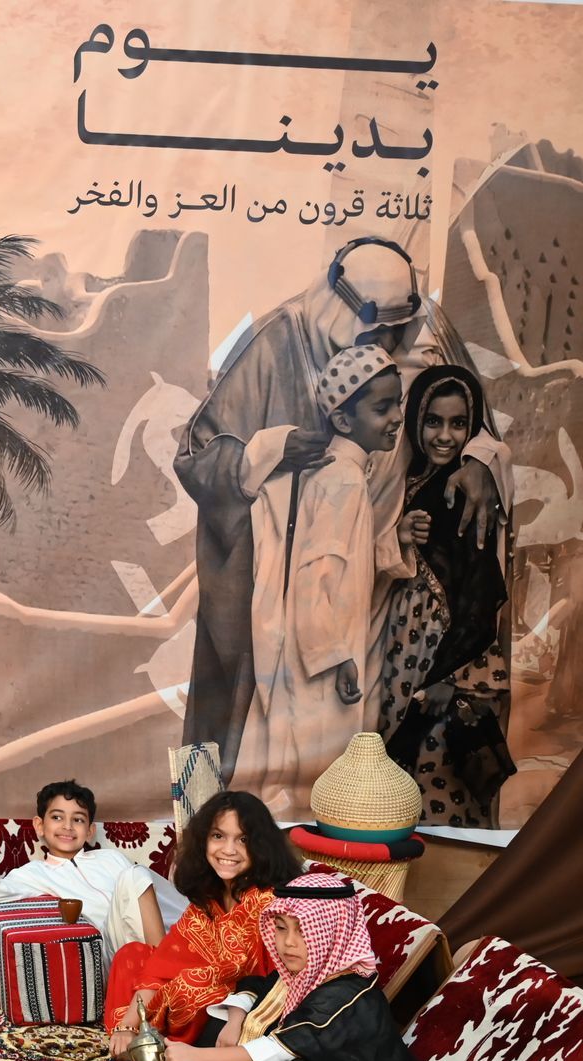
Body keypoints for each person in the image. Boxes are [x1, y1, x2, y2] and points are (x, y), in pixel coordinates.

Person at [174, 238, 511, 777]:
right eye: (376, 329)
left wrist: (479, 460)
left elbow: (468, 414)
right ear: (341, 304)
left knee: (354, 756)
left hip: (378, 588)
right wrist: (266, 451)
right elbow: (196, 458)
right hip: (279, 599)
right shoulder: (275, 341)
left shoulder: (424, 332)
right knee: (254, 757)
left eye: (396, 330)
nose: (388, 341)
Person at [232, 345, 404, 803]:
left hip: (319, 644)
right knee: (309, 779)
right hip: (320, 656)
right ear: (344, 421)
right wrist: (336, 656)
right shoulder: (343, 479)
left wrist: (396, 538)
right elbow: (314, 575)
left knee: (298, 772)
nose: (396, 417)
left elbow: (342, 560)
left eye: (398, 404)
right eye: (382, 407)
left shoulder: (343, 473)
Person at [172, 872, 437, 1061]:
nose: (287, 943)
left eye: (302, 931)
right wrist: (236, 1020)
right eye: (282, 928)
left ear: (331, 931)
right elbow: (258, 985)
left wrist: (197, 1058)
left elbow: (276, 1051)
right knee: (226, 1022)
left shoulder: (345, 995)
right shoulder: (312, 971)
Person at [375, 365, 513, 825]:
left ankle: (446, 892)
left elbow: (481, 585)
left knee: (438, 780)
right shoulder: (406, 479)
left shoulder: (467, 487)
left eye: (459, 424)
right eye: (433, 421)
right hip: (401, 655)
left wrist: (449, 675)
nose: (445, 436)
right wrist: (398, 536)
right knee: (397, 782)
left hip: (442, 656)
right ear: (416, 419)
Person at [105, 791, 301, 1054]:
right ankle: (139, 1041)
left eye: (243, 839)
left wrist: (235, 1017)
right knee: (132, 956)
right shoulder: (210, 897)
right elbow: (160, 967)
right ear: (203, 841)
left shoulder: (268, 903)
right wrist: (127, 1025)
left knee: (190, 986)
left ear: (261, 845)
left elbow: (270, 979)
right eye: (218, 836)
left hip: (240, 1008)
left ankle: (159, 1047)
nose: (229, 850)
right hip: (197, 998)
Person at [0, 780, 186, 952]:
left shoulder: (111, 858)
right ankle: (163, 974)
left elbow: (162, 899)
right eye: (57, 817)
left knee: (139, 875)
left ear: (90, 830)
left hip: (154, 940)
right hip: (111, 952)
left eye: (78, 819)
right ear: (39, 826)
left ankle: (186, 945)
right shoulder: (35, 874)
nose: (68, 826)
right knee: (135, 875)